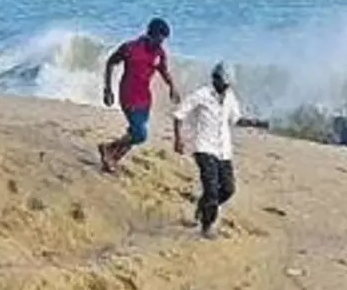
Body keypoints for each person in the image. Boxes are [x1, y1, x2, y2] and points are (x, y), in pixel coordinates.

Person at [99, 18, 179, 173]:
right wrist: (107, 89)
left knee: (134, 133)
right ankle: (108, 148)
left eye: (163, 40)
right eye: (159, 39)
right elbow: (110, 62)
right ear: (150, 34)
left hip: (145, 99)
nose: (161, 43)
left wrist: (172, 87)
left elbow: (163, 70)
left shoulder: (160, 53)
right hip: (128, 96)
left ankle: (112, 159)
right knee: (140, 134)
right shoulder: (130, 48)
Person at [173, 62, 242, 239]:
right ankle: (207, 225)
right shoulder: (201, 95)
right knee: (211, 188)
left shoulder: (230, 97)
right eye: (221, 81)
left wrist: (256, 123)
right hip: (204, 147)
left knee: (228, 189)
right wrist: (178, 139)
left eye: (227, 84)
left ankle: (203, 206)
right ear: (214, 78)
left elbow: (235, 119)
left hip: (224, 150)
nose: (224, 86)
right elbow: (179, 114)